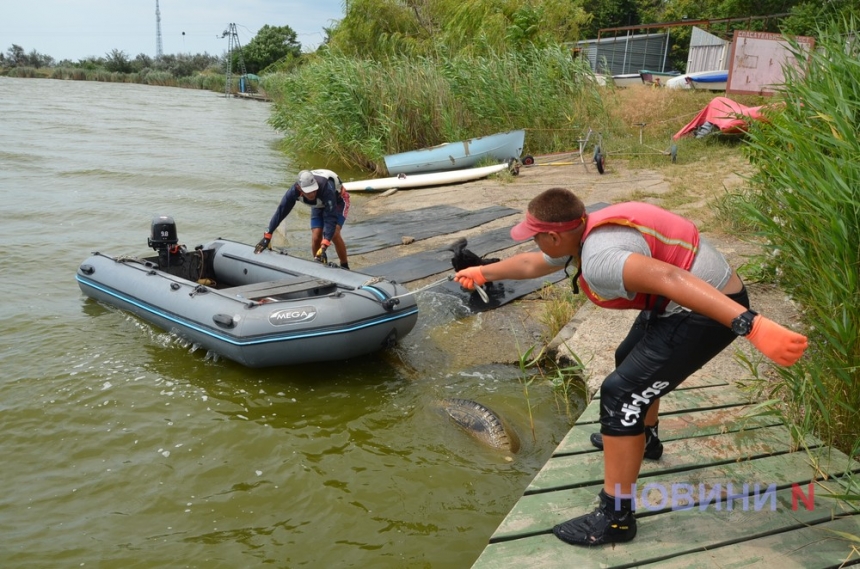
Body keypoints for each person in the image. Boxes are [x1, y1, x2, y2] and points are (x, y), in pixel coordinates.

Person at [454, 188, 807, 547]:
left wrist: (750, 324)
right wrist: (482, 271)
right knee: (628, 358)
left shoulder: (600, 258)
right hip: (686, 301)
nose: (534, 241)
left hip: (707, 308)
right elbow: (533, 263)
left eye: (536, 235)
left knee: (620, 394)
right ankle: (646, 439)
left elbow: (670, 279)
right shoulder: (586, 230)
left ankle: (615, 519)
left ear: (555, 235)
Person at [254, 169, 351, 269]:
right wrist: (268, 234)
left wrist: (325, 245)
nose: (312, 194)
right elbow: (281, 211)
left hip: (337, 200)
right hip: (318, 204)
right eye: (308, 192)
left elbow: (330, 218)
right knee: (316, 235)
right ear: (300, 189)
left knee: (334, 232)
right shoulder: (293, 191)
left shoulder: (325, 187)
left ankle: (345, 265)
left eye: (313, 190)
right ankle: (318, 263)